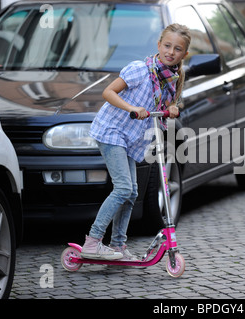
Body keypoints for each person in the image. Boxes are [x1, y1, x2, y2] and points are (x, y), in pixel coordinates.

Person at [80, 24, 191, 260]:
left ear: (184, 54)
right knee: (122, 188)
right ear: (159, 45)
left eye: (177, 49)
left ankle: (118, 246)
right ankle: (92, 242)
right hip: (112, 131)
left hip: (130, 138)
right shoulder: (140, 70)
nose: (171, 52)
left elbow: (169, 104)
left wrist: (172, 109)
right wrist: (132, 108)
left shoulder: (171, 79)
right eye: (167, 46)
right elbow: (108, 92)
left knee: (131, 193)